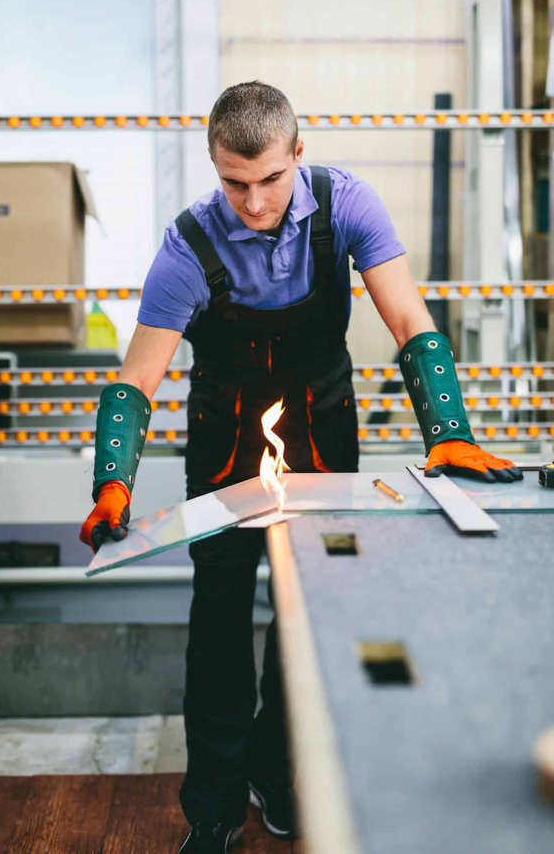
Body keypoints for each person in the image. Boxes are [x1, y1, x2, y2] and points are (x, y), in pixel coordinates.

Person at [80, 81, 522, 853]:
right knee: (218, 615)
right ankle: (213, 809)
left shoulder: (350, 204)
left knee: (311, 607)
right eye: (233, 183)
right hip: (226, 437)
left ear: (298, 154)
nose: (252, 203)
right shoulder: (188, 245)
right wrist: (112, 477)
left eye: (269, 180)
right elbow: (135, 380)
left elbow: (409, 316)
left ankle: (278, 775)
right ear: (215, 167)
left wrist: (447, 429)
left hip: (322, 426)